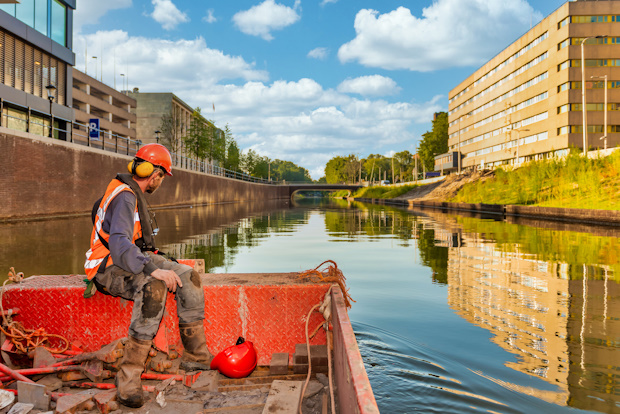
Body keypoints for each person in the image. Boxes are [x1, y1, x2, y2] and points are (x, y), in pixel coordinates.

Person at [84, 143, 213, 408]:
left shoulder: (128, 191)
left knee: (189, 276)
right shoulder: (125, 197)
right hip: (107, 266)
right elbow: (119, 246)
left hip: (129, 256)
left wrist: (153, 261)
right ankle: (129, 376)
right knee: (154, 287)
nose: (160, 182)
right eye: (162, 176)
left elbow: (127, 241)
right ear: (154, 174)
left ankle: (196, 355)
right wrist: (153, 269)